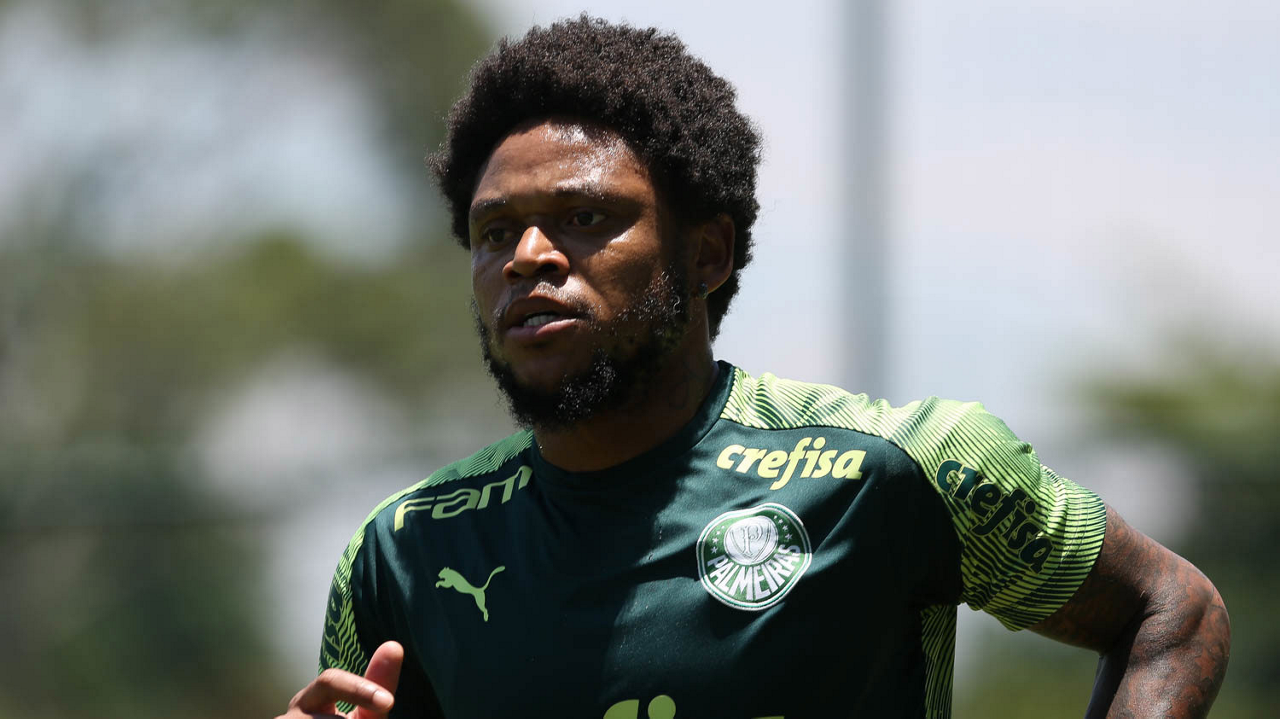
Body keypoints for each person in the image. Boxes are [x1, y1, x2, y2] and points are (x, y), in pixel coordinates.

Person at [278, 16, 1229, 719]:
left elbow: (1173, 611)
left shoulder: (898, 468)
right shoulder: (404, 549)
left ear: (707, 254)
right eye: (494, 232)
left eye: (584, 217)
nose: (528, 256)